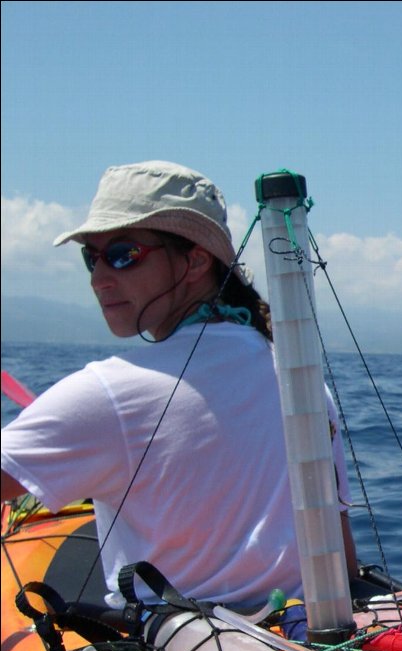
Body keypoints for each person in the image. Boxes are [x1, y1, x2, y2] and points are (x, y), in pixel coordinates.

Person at [1, 160, 358, 610]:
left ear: (194, 261)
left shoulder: (110, 393)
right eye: (91, 257)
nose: (98, 277)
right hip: (300, 644)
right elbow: (343, 564)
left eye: (122, 254)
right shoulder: (302, 381)